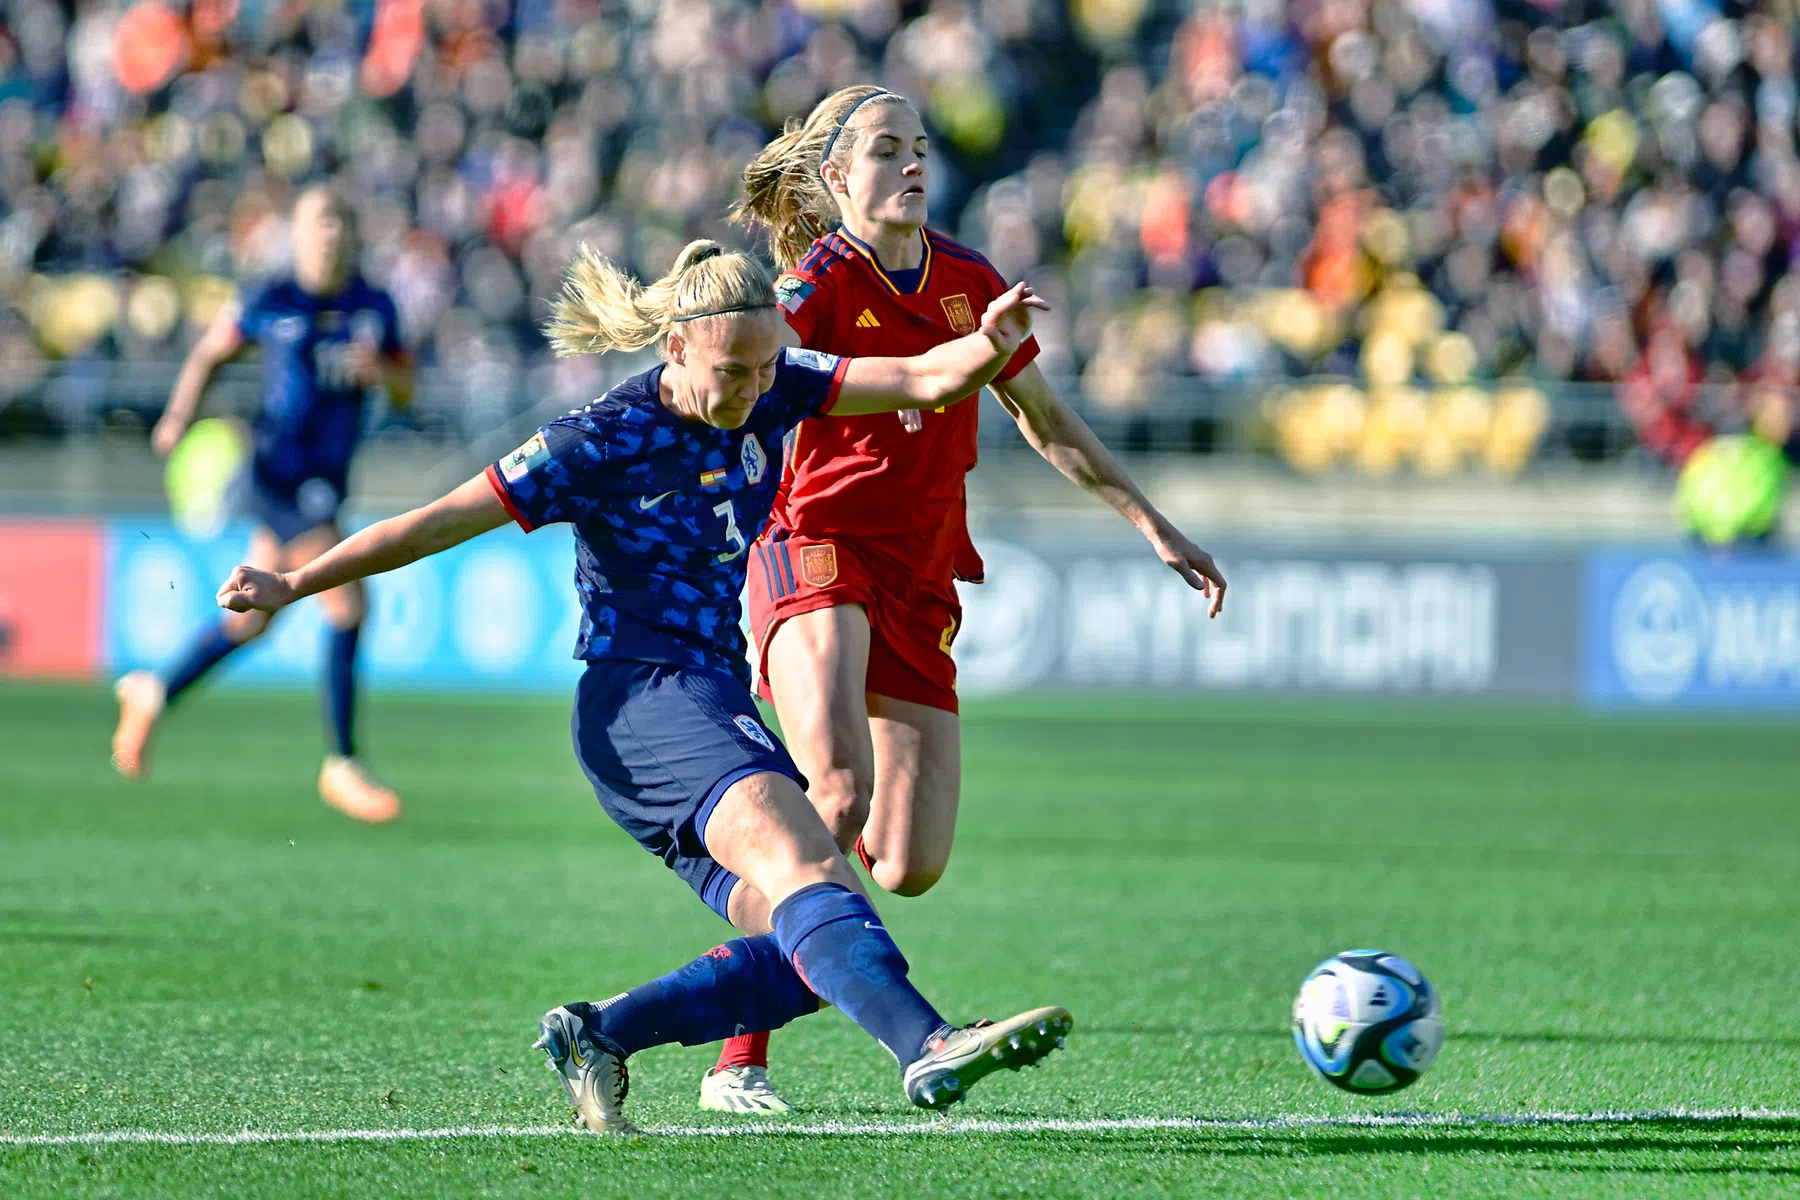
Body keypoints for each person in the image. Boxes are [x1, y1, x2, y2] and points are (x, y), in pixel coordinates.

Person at [213, 239, 1072, 1132]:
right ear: (675, 348)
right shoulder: (602, 437)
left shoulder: (776, 381)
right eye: (731, 371)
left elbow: (924, 380)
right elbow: (435, 522)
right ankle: (928, 1046)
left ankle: (599, 1034)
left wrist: (991, 344)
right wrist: (295, 584)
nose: (750, 391)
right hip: (645, 700)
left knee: (814, 943)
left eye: (765, 367)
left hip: (706, 700)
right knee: (815, 868)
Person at [690, 85, 1226, 1112]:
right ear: (836, 178)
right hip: (816, 547)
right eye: (886, 148)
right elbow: (730, 397)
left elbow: (1048, 420)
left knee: (906, 861)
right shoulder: (807, 289)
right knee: (833, 794)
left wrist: (1155, 525)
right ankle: (739, 1055)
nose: (912, 164)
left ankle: (783, 954)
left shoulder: (971, 284)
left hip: (922, 573)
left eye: (921, 147)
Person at [111, 184, 411, 823]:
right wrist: (178, 416)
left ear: (353, 233)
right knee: (349, 601)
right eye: (318, 222)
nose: (329, 234)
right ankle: (343, 763)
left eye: (340, 221)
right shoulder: (271, 297)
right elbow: (210, 352)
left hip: (328, 476)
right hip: (280, 472)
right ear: (298, 235)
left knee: (251, 617)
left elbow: (408, 387)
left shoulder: (375, 304)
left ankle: (154, 691)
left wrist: (381, 374)